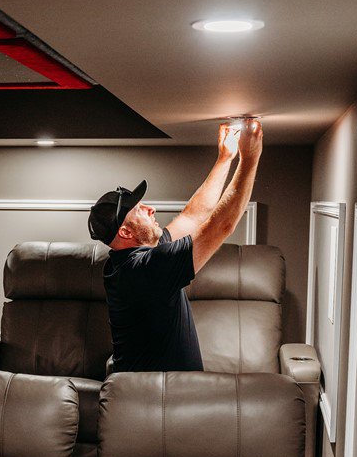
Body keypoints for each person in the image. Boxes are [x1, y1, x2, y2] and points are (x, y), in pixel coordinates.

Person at [88, 118, 263, 372]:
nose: (151, 209)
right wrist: (250, 158)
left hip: (163, 391)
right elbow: (221, 226)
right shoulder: (143, 270)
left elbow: (193, 217)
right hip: (156, 394)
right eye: (139, 210)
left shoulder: (129, 260)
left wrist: (225, 158)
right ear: (125, 232)